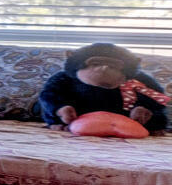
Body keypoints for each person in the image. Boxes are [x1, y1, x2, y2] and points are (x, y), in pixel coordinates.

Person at [38, 43, 171, 133]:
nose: (104, 69)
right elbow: (50, 95)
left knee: (156, 117)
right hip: (77, 119)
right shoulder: (65, 77)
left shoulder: (138, 80)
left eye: (112, 66)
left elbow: (156, 97)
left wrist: (143, 108)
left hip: (129, 122)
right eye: (95, 64)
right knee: (54, 110)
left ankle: (147, 124)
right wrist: (60, 108)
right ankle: (62, 119)